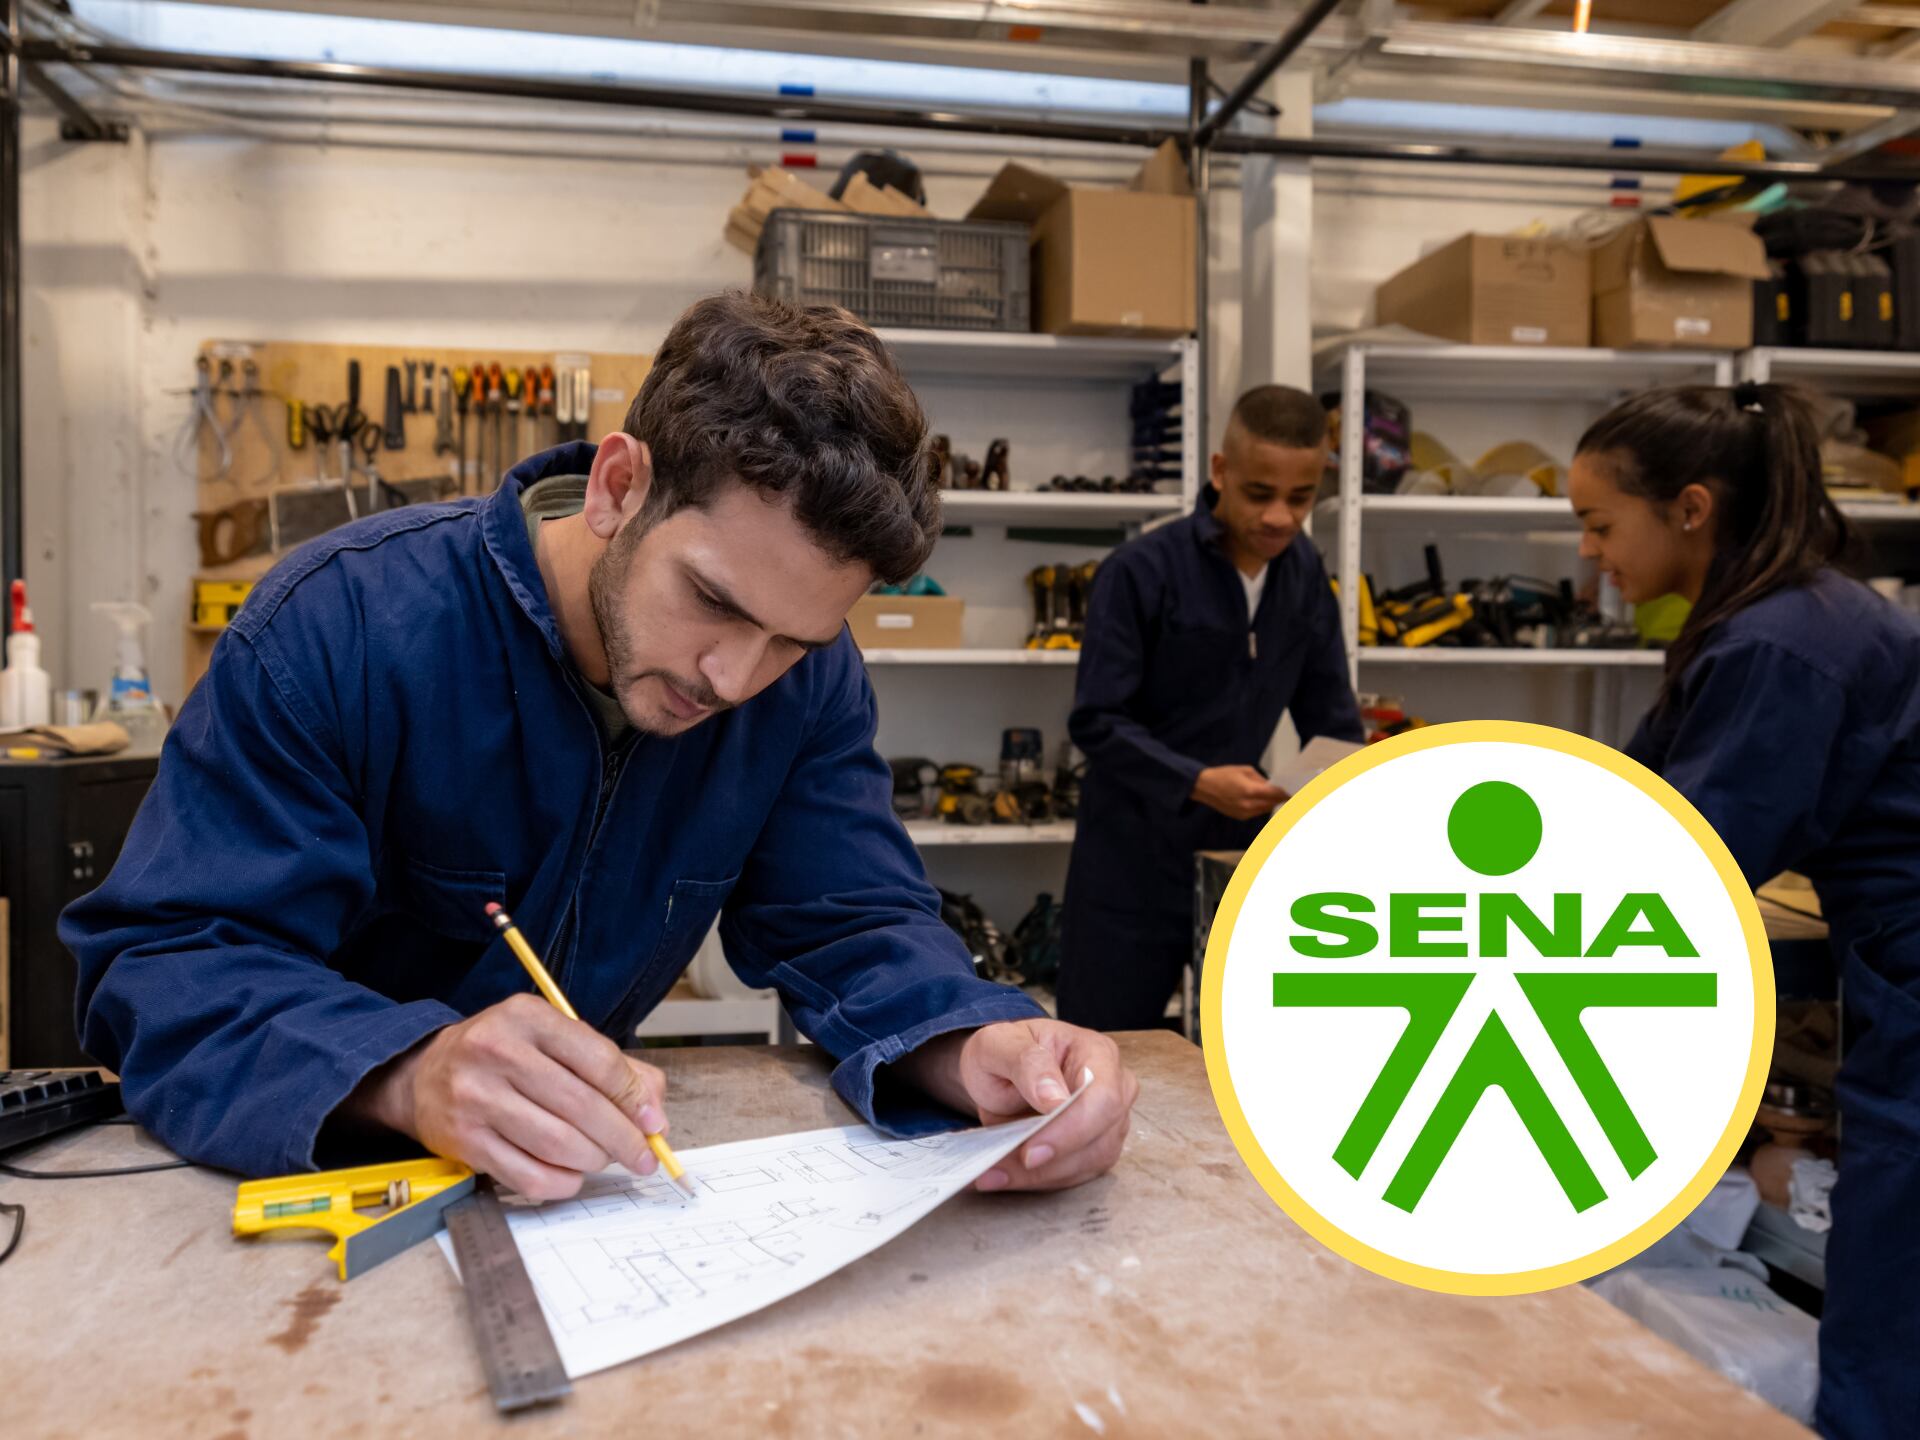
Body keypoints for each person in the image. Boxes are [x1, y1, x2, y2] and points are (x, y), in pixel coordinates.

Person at [62, 293, 1138, 1201]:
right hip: (312, 1199)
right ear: (620, 485)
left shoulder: (803, 678)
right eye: (712, 600)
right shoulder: (336, 628)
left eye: (791, 639)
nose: (734, 677)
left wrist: (974, 1041)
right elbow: (164, 967)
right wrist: (400, 1072)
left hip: (576, 1210)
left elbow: (850, 920)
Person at [1568, 379, 1920, 1440]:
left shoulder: (1779, 640)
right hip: (1884, 936)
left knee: (1892, 1250)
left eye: (1599, 522)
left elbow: (1693, 856)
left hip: (1906, 942)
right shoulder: (1765, 618)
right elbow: (1647, 788)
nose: (1590, 551)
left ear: (1689, 508)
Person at [1057, 385, 1363, 1033]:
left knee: (1236, 1060)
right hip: (1128, 866)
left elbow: (1333, 719)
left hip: (1238, 863)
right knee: (1106, 1051)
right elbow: (1096, 720)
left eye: (1301, 498)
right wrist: (1195, 781)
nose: (1281, 517)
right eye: (1259, 493)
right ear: (1220, 471)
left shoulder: (1305, 576)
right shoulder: (1140, 571)